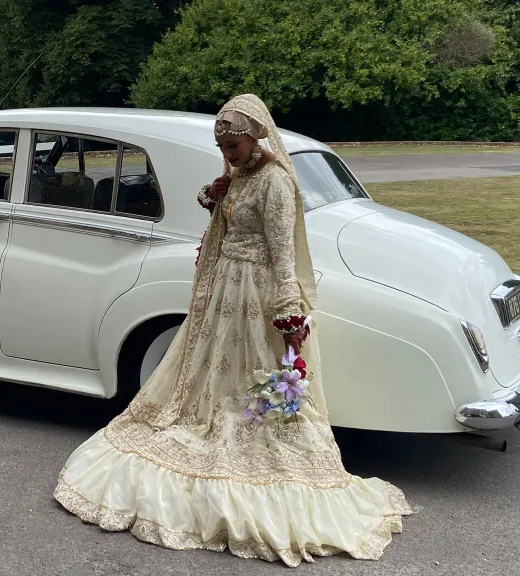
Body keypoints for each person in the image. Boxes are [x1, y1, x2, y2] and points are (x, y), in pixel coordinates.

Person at [53, 94, 411, 567]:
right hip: (225, 288)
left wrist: (289, 313)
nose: (227, 153)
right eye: (221, 146)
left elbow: (283, 254)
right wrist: (216, 192)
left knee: (258, 380)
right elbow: (223, 213)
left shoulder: (276, 182)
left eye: (233, 145)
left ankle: (258, 439)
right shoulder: (239, 175)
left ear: (255, 136)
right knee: (213, 376)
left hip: (257, 294)